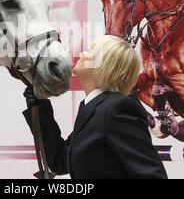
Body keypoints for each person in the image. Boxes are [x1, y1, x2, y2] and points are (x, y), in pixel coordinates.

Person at [22, 35, 168, 179]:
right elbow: (59, 161)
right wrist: (40, 106)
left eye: (89, 51)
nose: (82, 53)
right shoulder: (93, 109)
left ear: (103, 64)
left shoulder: (117, 109)